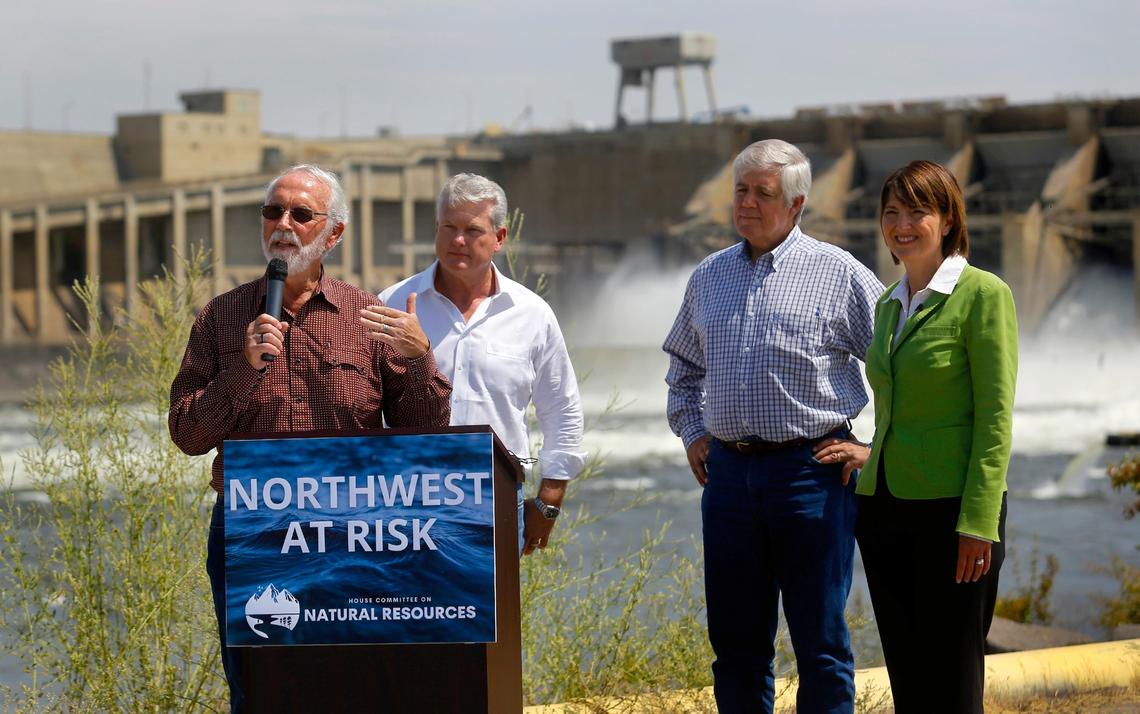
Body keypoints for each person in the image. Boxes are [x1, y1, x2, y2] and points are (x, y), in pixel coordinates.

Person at [168, 164, 452, 712]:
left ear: (334, 233)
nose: (284, 224)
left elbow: (427, 430)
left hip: (351, 535)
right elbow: (186, 434)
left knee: (353, 682)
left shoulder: (370, 317)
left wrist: (421, 361)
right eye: (273, 211)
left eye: (301, 214)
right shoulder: (222, 318)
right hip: (253, 533)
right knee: (260, 685)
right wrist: (241, 369)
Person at [663, 139, 884, 713]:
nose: (748, 203)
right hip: (729, 478)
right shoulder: (709, 277)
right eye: (741, 190)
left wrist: (873, 449)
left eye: (764, 193)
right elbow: (683, 370)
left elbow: (899, 364)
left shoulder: (840, 274)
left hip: (812, 474)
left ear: (796, 204)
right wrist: (692, 432)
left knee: (821, 646)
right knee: (736, 647)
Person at [813, 160, 1017, 713]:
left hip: (952, 514)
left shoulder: (982, 295)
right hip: (884, 510)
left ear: (948, 220)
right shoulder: (887, 304)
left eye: (917, 212)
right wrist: (868, 451)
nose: (902, 225)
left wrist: (979, 522)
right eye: (891, 213)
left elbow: (994, 419)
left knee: (952, 678)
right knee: (909, 675)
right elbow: (894, 410)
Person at [362, 173, 586, 556]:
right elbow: (361, 404)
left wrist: (548, 503)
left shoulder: (532, 314)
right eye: (448, 227)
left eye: (472, 230)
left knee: (491, 617)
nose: (458, 240)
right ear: (435, 229)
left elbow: (561, 409)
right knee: (409, 614)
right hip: (404, 503)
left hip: (496, 500)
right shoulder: (393, 303)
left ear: (499, 238)